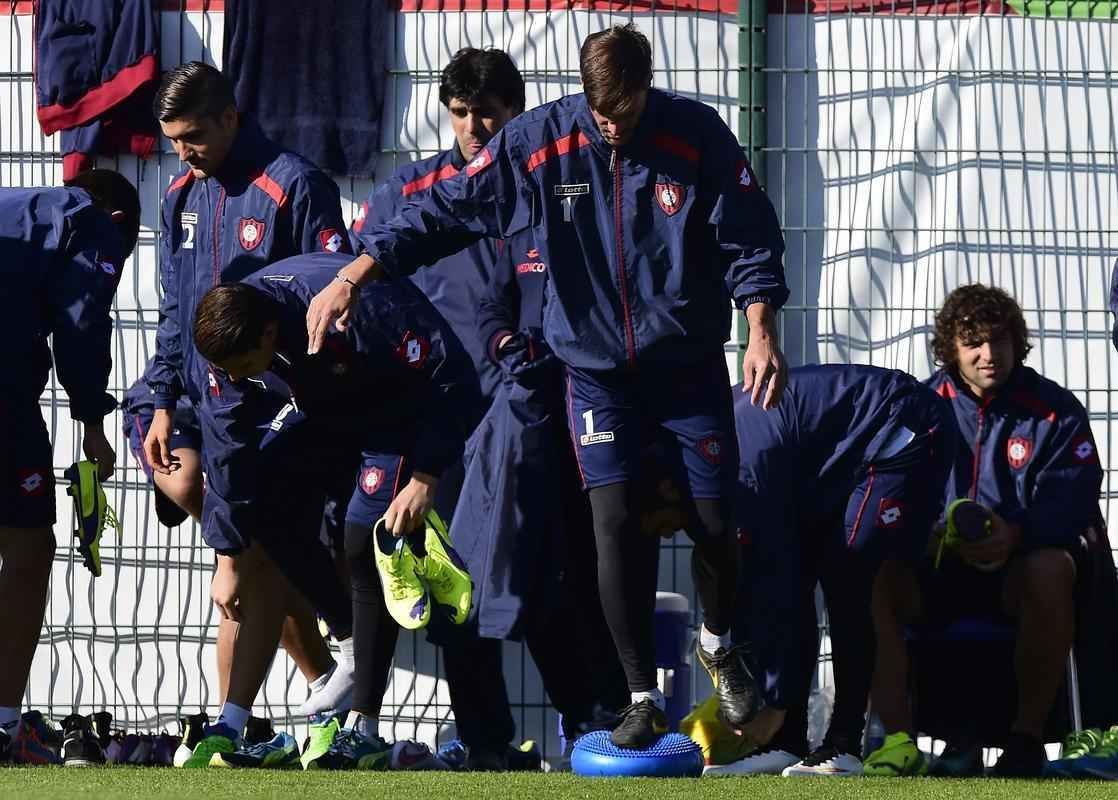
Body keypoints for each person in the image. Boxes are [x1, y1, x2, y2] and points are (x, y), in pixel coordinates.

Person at [306, 23, 789, 748]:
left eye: (624, 112)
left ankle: (718, 643)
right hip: (594, 374)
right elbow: (441, 211)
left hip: (684, 366)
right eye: (601, 114)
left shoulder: (695, 134)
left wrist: (759, 327)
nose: (612, 126)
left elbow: (747, 235)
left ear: (645, 90)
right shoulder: (541, 140)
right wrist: (353, 274)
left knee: (716, 523)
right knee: (613, 521)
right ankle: (637, 694)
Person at [139, 60, 356, 761]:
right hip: (201, 406)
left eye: (194, 135)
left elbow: (327, 310)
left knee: (248, 556)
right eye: (172, 139)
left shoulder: (294, 186)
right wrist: (164, 402)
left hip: (271, 413)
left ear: (231, 117)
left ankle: (249, 719)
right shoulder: (180, 196)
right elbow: (175, 313)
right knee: (243, 551)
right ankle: (282, 704)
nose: (183, 152)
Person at [191, 251, 484, 769]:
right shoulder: (228, 344)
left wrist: (425, 476)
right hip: (327, 411)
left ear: (265, 336)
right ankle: (349, 646)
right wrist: (228, 558)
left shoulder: (359, 310)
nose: (236, 378)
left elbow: (454, 377)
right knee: (264, 501)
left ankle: (371, 727)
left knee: (363, 540)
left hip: (399, 416)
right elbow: (227, 443)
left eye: (241, 368)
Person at [865, 284, 1102, 778]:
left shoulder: (1055, 410)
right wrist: (924, 535)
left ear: (1018, 343)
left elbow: (1075, 498)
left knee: (1054, 567)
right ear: (950, 347)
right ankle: (898, 743)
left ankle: (1025, 743)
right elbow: (882, 492)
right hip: (930, 573)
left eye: (1000, 341)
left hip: (1015, 575)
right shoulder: (917, 406)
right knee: (869, 572)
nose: (989, 354)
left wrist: (1016, 534)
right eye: (974, 343)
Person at [711, 365, 953, 778]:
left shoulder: (740, 460)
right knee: (802, 569)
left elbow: (777, 578)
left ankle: (844, 744)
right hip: (841, 456)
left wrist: (776, 700)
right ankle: (786, 742)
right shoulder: (715, 450)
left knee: (847, 570)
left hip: (905, 425)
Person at [0, 169, 140, 764]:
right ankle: (5, 726)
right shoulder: (87, 223)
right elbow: (82, 325)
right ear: (118, 224)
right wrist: (92, 421)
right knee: (29, 549)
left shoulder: (17, 210)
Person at [120, 366, 347, 725]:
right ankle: (315, 690)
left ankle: (234, 724)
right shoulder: (208, 337)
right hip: (183, 403)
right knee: (247, 545)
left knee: (261, 553)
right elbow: (173, 337)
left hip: (251, 410)